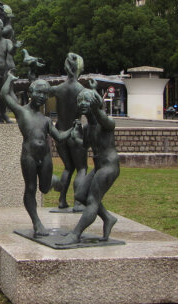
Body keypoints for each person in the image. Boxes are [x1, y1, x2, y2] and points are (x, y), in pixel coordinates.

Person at [0, 70, 78, 236]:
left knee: (44, 188)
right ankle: (36, 222)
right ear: (30, 93)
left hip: (45, 155)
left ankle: (52, 180)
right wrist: (10, 79)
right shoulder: (22, 112)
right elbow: (5, 94)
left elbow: (60, 137)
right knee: (30, 188)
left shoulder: (46, 120)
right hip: (29, 155)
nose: (43, 96)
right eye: (39, 92)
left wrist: (73, 129)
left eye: (46, 94)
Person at [57, 81, 119, 244]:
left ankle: (75, 234)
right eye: (80, 101)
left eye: (86, 101)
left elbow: (102, 117)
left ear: (94, 103)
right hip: (98, 166)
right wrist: (77, 134)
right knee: (80, 195)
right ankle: (108, 218)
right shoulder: (88, 127)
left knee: (92, 200)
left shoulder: (105, 122)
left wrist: (93, 96)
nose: (81, 104)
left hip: (109, 166)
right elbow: (84, 145)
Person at [48, 53, 87, 210]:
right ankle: (78, 202)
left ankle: (62, 200)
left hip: (60, 133)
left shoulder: (59, 89)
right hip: (75, 132)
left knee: (68, 168)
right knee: (82, 168)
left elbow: (43, 91)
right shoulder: (81, 90)